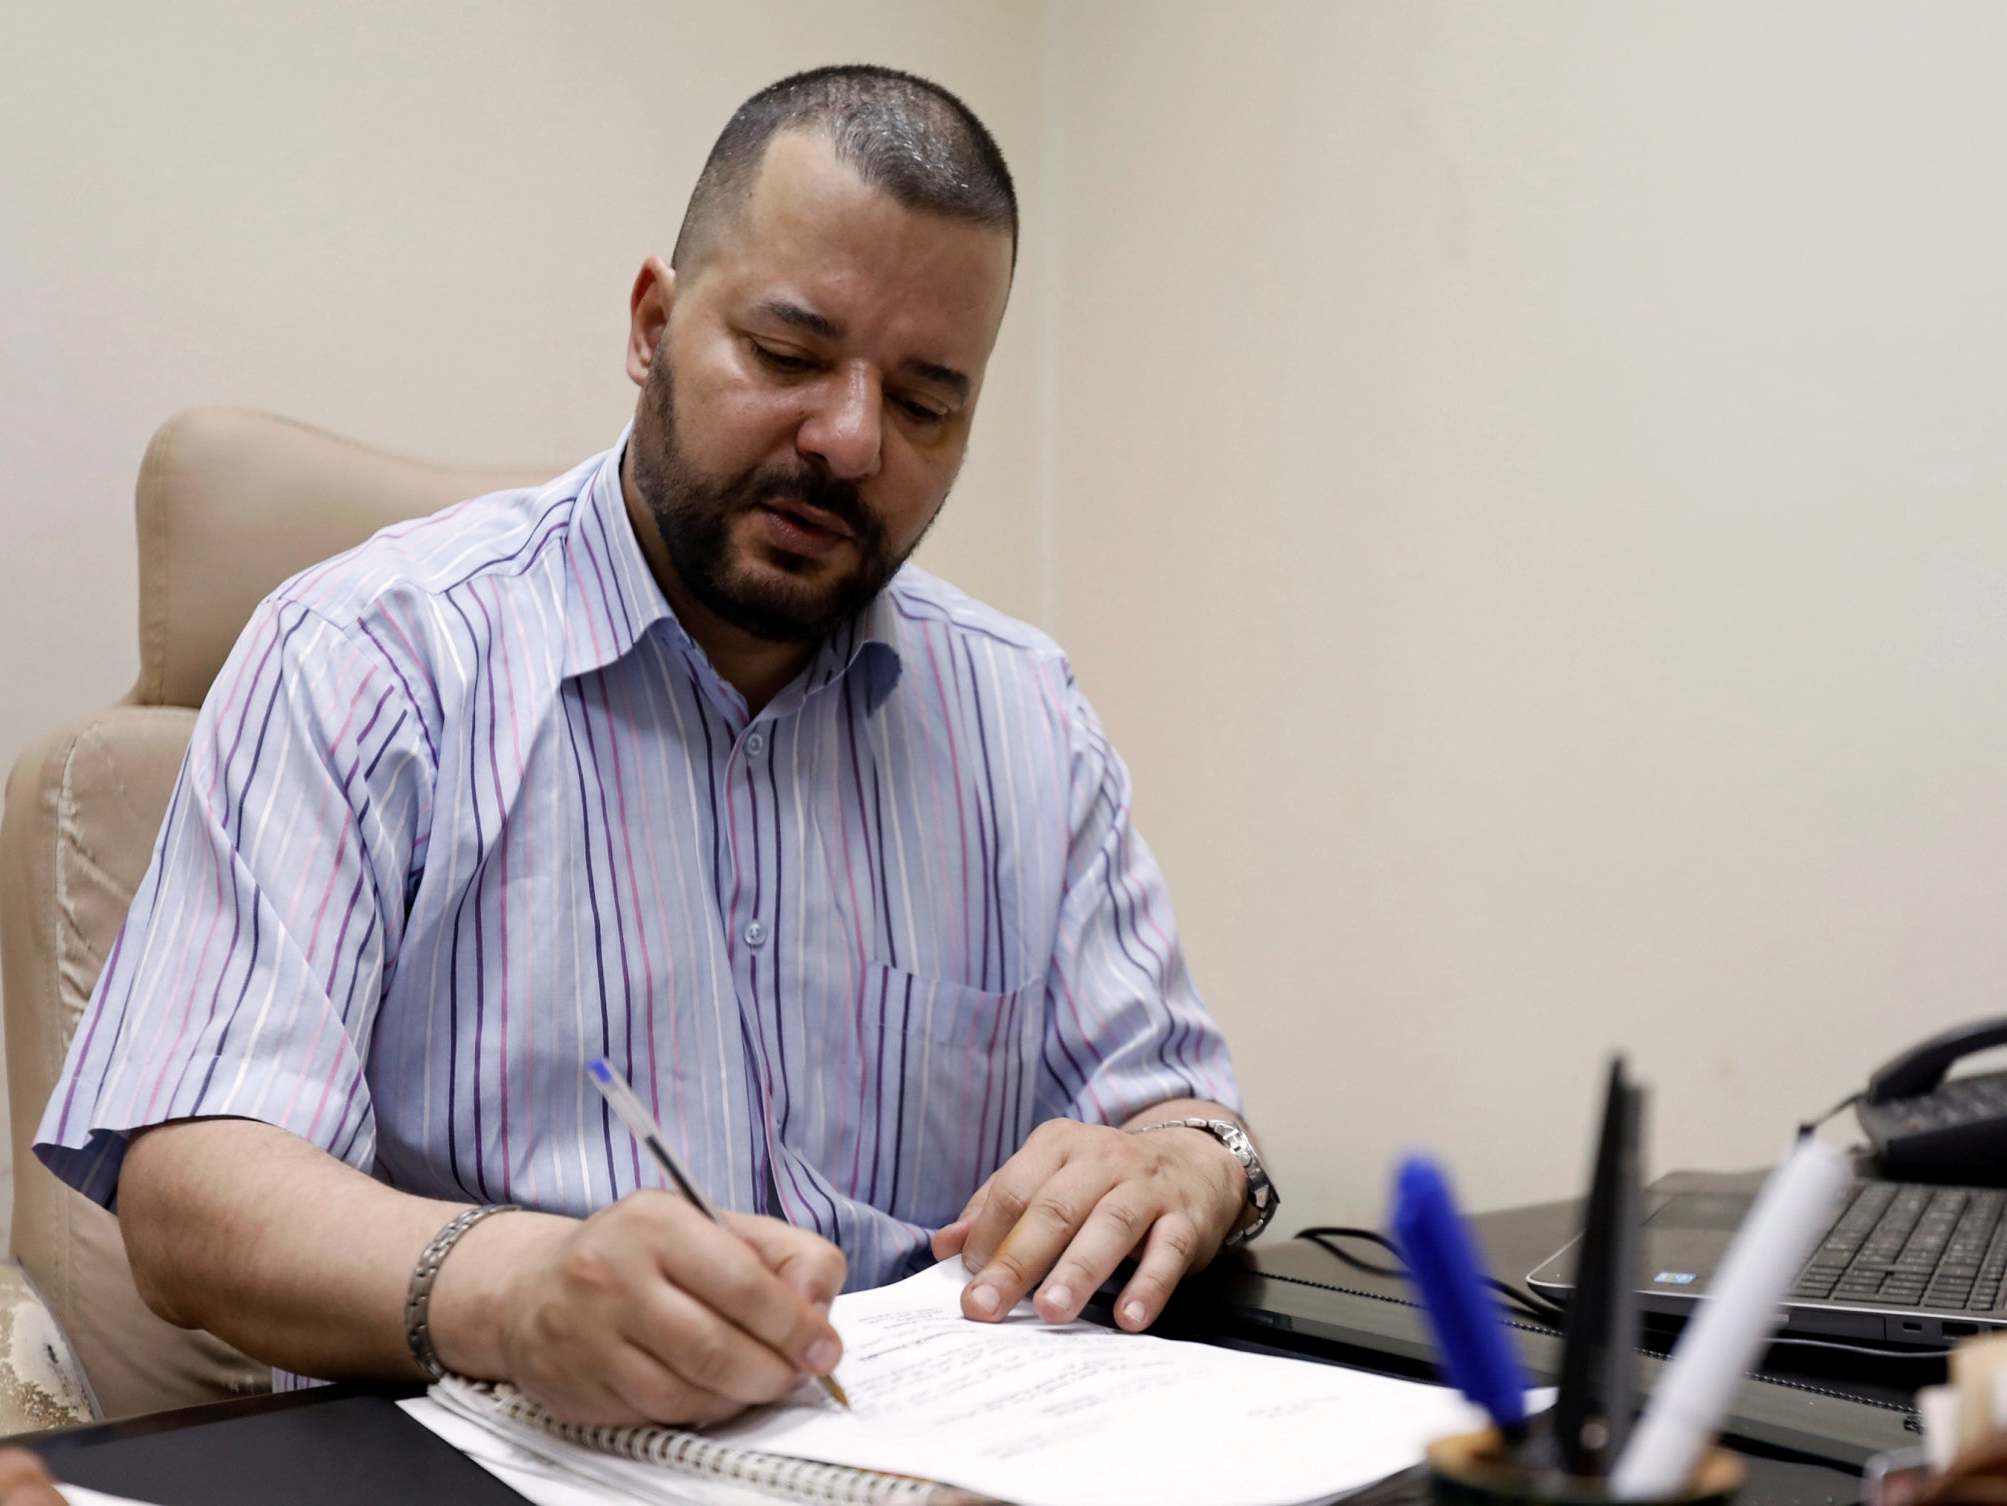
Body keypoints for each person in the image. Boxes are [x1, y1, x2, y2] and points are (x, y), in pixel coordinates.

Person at [34, 65, 1277, 1428]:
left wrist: (1198, 1164)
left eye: (926, 404)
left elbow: (1174, 1116)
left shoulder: (1025, 719)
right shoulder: (368, 658)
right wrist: (515, 1290)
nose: (852, 441)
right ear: (653, 324)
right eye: (791, 356)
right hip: (496, 1451)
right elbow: (188, 1190)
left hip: (920, 1452)